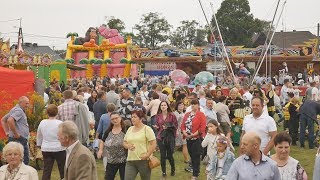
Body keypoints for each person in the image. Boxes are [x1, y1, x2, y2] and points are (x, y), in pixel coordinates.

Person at [123, 109, 157, 180]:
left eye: (135, 117)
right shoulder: (130, 129)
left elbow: (153, 143)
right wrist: (127, 146)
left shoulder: (147, 129)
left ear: (141, 118)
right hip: (130, 161)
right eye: (132, 117)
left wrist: (147, 155)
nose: (132, 119)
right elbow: (124, 142)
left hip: (143, 161)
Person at [36, 104, 65, 180]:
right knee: (62, 169)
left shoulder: (42, 122)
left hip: (46, 148)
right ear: (57, 112)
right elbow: (63, 136)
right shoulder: (60, 123)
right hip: (59, 148)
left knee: (47, 170)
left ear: (47, 113)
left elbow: (39, 135)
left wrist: (39, 144)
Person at [181, 99, 206, 180]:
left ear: (198, 105)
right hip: (188, 138)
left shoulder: (201, 114)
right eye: (192, 104)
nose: (193, 105)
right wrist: (185, 133)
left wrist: (193, 135)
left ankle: (195, 174)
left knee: (196, 156)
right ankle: (196, 170)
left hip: (197, 138)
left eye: (194, 104)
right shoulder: (187, 114)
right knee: (191, 155)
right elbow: (183, 125)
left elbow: (202, 127)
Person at [97, 112, 127, 180]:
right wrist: (100, 150)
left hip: (124, 160)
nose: (114, 120)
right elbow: (102, 140)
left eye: (116, 118)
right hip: (111, 160)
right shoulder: (108, 130)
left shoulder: (125, 129)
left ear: (120, 118)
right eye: (112, 119)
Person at [1, 96, 30, 165]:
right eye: (26, 103)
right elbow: (10, 120)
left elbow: (3, 120)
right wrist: (16, 134)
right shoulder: (19, 110)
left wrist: (7, 132)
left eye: (28, 103)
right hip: (19, 139)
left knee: (13, 159)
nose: (27, 105)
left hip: (14, 138)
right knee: (24, 159)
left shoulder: (14, 109)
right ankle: (24, 174)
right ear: (20, 102)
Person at [155, 101, 178, 177]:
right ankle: (164, 172)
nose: (163, 106)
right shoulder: (158, 116)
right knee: (162, 156)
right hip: (160, 137)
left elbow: (175, 126)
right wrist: (157, 127)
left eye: (165, 105)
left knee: (170, 155)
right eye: (162, 105)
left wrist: (169, 126)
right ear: (160, 107)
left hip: (169, 137)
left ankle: (173, 170)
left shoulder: (172, 115)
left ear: (167, 106)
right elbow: (158, 126)